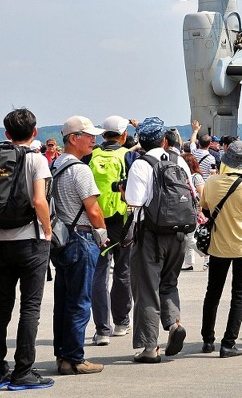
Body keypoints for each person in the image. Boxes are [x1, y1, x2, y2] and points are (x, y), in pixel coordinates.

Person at [0, 108, 55, 390]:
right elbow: (39, 201)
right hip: (30, 241)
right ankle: (23, 371)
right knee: (30, 307)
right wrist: (47, 231)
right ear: (34, 132)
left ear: (6, 134)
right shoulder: (37, 160)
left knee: (1, 307)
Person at [124, 116, 195, 363]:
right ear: (164, 139)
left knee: (146, 289)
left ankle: (149, 347)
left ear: (140, 142)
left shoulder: (141, 164)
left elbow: (134, 203)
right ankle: (174, 323)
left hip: (150, 234)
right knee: (169, 283)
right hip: (179, 233)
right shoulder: (180, 162)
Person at [50, 116, 110, 375]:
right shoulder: (80, 169)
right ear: (73, 139)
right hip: (82, 237)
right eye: (88, 135)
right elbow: (93, 208)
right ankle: (75, 358)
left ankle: (62, 356)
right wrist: (102, 233)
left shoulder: (56, 165)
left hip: (61, 238)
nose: (93, 139)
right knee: (80, 300)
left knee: (63, 300)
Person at [199, 140, 242, 358]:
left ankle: (207, 339)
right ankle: (229, 342)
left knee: (213, 293)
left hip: (218, 244)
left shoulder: (212, 181)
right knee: (239, 294)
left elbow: (204, 207)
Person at [89, 115, 134, 345]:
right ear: (123, 134)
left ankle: (102, 330)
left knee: (99, 275)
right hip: (122, 221)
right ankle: (121, 322)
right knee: (123, 272)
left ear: (102, 134)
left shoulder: (92, 155)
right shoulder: (127, 155)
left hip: (97, 221)